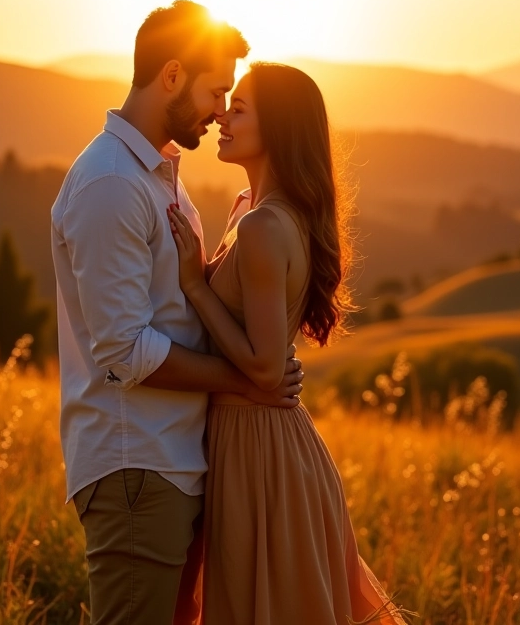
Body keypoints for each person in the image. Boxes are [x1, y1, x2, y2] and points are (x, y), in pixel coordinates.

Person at [50, 1, 305, 625]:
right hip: (137, 464)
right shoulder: (111, 184)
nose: (223, 108)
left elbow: (177, 306)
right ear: (170, 76)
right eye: (216, 89)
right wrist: (247, 379)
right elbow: (125, 351)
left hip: (174, 460)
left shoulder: (158, 175)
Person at [168, 62, 408, 624]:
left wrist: (192, 285)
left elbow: (266, 366)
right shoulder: (252, 214)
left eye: (241, 108)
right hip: (258, 441)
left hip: (259, 450)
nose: (223, 116)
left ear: (276, 127)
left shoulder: (263, 227)